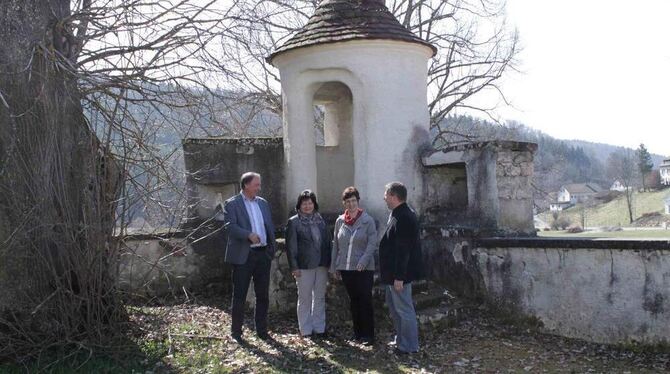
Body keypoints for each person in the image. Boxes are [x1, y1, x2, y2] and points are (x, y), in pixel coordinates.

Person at [218, 172, 276, 343]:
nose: (259, 187)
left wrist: (270, 250)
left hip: (263, 254)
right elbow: (230, 227)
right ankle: (236, 332)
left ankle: (262, 330)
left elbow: (269, 226)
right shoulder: (232, 204)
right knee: (240, 295)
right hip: (244, 256)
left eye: (259, 184)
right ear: (246, 185)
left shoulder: (263, 203)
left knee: (263, 295)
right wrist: (248, 234)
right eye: (256, 184)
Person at [379, 181, 424, 354]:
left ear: (393, 195)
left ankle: (410, 346)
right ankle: (401, 340)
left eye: (386, 195)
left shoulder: (404, 216)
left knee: (404, 310)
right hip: (393, 273)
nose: (384, 198)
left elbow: (404, 249)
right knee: (395, 308)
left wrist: (399, 277)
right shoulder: (397, 214)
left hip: (399, 275)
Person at [330, 186, 378, 345]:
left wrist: (363, 262)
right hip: (346, 269)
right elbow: (336, 245)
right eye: (348, 201)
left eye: (353, 201)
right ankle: (358, 334)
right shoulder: (340, 221)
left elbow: (372, 244)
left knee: (365, 300)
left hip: (363, 269)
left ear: (358, 201)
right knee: (354, 301)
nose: (351, 204)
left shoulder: (367, 220)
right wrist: (335, 267)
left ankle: (368, 336)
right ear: (344, 203)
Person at [286, 190, 331, 338]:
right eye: (304, 203)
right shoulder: (294, 222)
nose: (307, 206)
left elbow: (327, 242)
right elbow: (291, 246)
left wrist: (330, 262)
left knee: (319, 297)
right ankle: (305, 330)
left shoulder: (320, 219)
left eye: (310, 203)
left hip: (322, 264)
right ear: (299, 205)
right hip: (303, 266)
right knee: (305, 298)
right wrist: (294, 267)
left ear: (314, 204)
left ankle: (319, 328)